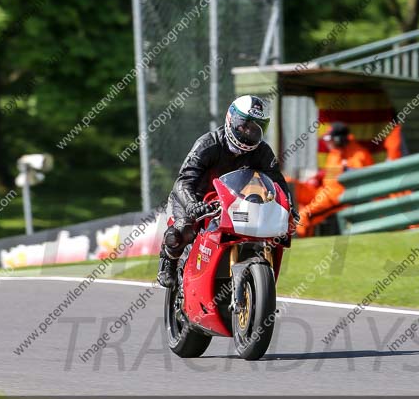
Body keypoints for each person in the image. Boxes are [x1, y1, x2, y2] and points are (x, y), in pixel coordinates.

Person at [157, 95, 297, 288]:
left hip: (232, 201)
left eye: (255, 127)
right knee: (183, 229)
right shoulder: (208, 143)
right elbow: (184, 180)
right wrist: (192, 205)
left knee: (265, 232)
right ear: (231, 119)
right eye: (245, 125)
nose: (249, 132)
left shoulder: (262, 151)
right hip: (195, 198)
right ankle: (169, 263)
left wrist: (289, 208)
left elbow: (277, 182)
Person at [294, 122, 374, 238]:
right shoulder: (335, 152)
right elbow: (332, 174)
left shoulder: (359, 154)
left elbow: (359, 179)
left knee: (304, 214)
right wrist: (318, 177)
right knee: (291, 186)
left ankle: (297, 243)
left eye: (330, 140)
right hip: (324, 191)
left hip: (339, 197)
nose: (328, 143)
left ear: (338, 140)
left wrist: (346, 169)